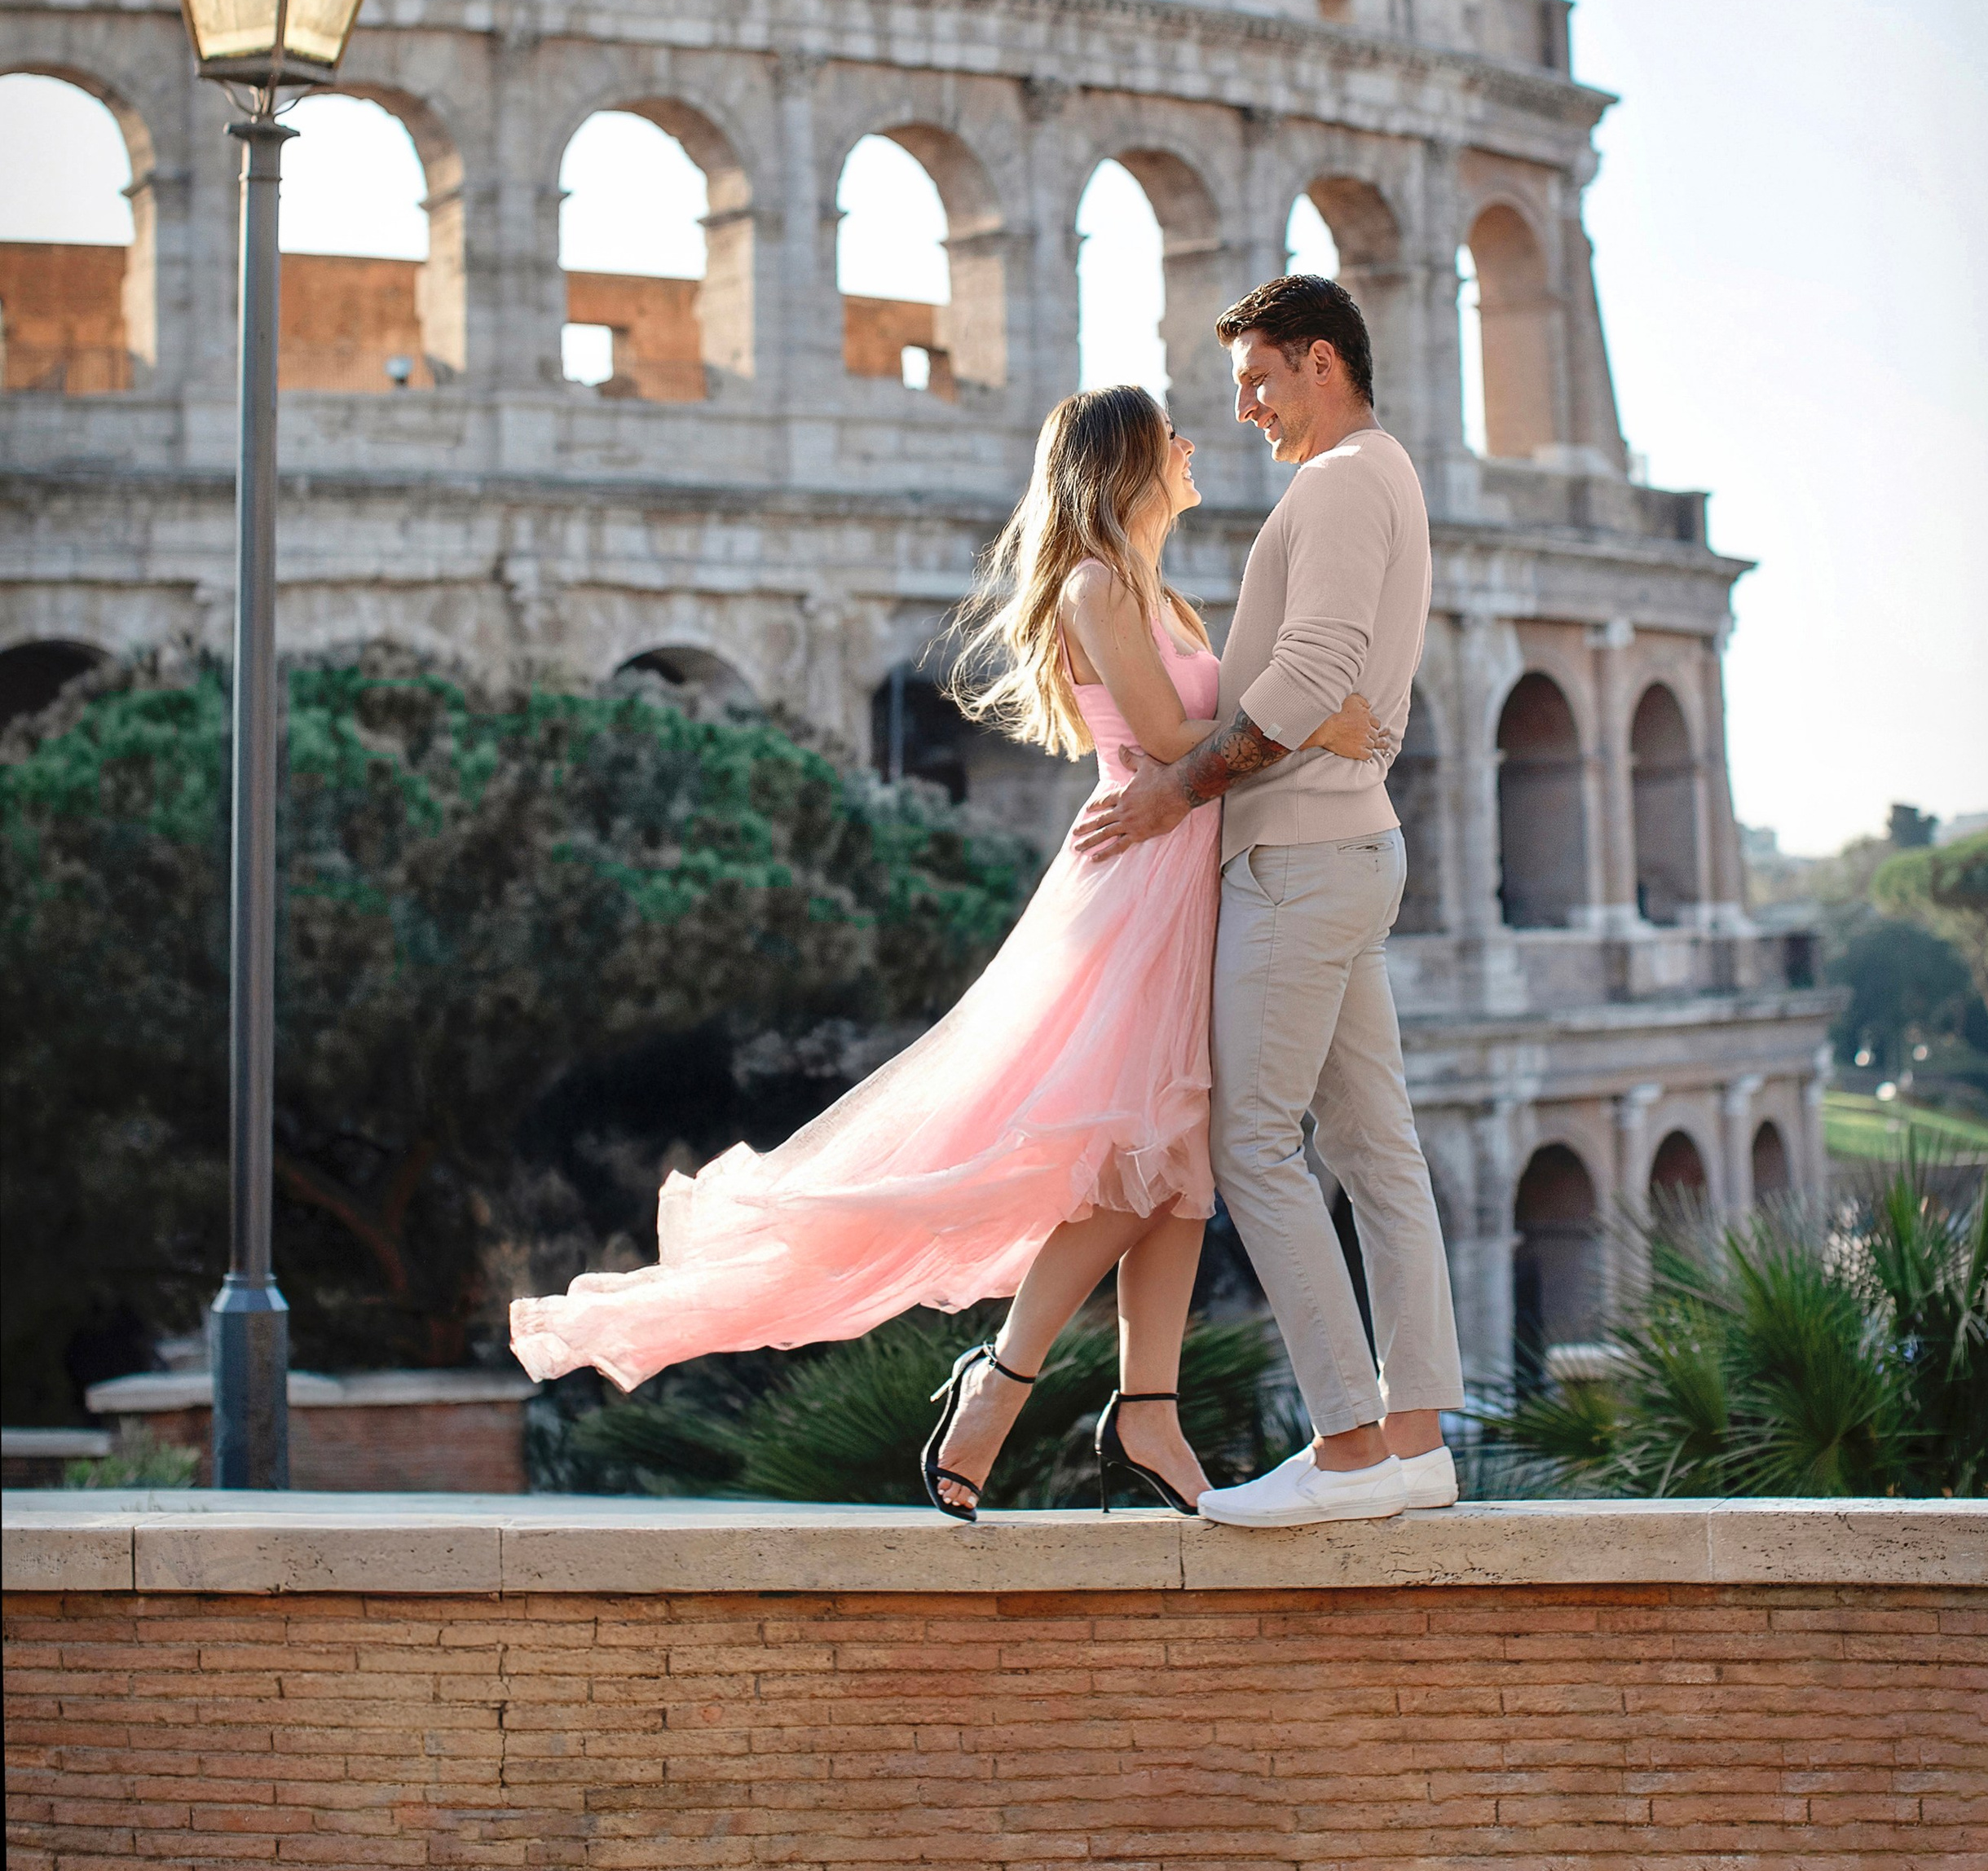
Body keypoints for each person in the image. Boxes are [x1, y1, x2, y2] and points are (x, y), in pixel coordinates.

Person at [508, 381, 1385, 1521]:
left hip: (1185, 874)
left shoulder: (1164, 596)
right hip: (1139, 886)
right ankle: (1005, 1378)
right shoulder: (1093, 585)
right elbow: (1171, 740)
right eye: (1167, 432)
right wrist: (1311, 719)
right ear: (1122, 461)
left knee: (1178, 1170)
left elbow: (1194, 753)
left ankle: (1149, 1410)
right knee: (1135, 1160)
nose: (1189, 443)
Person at [1073, 275, 1465, 1525]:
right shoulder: (1382, 474)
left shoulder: (1342, 482)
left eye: (1258, 380)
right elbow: (1321, 687)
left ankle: (1350, 1448)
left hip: (1298, 857)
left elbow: (1311, 672)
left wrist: (1177, 790)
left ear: (1323, 365)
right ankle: (1415, 1441)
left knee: (1254, 1144)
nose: (1242, 409)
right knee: (1373, 1146)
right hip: (1344, 845)